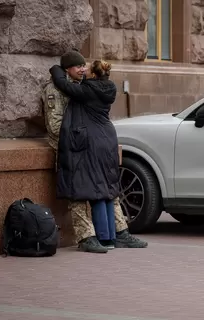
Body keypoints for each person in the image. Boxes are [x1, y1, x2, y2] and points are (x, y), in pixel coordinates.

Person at [41, 50, 147, 253]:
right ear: (66, 70)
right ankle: (87, 236)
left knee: (107, 189)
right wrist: (79, 134)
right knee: (79, 194)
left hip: (90, 146)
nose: (82, 69)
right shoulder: (56, 89)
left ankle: (118, 233)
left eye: (84, 66)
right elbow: (55, 126)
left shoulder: (84, 87)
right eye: (78, 67)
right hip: (72, 147)